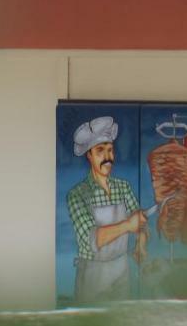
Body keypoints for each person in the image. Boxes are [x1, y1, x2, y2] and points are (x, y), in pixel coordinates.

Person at [66, 116, 148, 302]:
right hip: (93, 276)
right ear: (89, 155)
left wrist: (140, 244)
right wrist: (129, 225)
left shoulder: (123, 187)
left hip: (122, 271)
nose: (107, 157)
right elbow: (93, 238)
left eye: (110, 150)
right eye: (100, 151)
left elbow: (140, 220)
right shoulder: (77, 195)